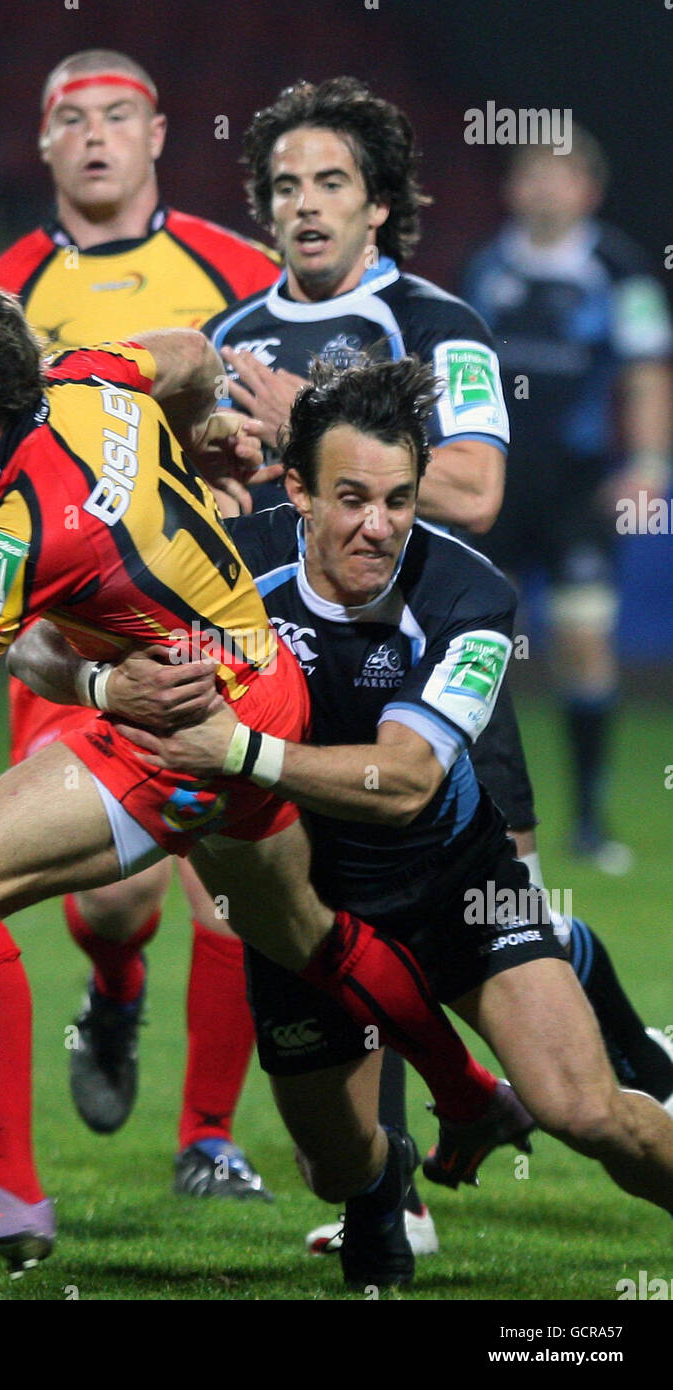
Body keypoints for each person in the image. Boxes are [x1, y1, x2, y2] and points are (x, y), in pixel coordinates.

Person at [0, 276, 515, 1278]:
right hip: (255, 678)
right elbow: (187, 350)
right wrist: (203, 429)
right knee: (303, 934)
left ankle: (2, 1180)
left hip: (187, 725)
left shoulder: (22, 531)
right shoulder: (87, 381)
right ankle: (470, 1089)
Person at [91, 354, 673, 1288]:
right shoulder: (225, 564)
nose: (379, 526)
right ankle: (381, 1185)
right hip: (302, 914)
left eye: (400, 499)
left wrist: (235, 754)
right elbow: (44, 637)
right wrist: (104, 680)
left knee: (588, 1111)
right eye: (352, 498)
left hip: (457, 891)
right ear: (297, 492)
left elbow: (403, 782)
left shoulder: (468, 596)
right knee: (334, 1166)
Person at [0, 48, 282, 1198]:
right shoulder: (0, 293)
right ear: (46, 145)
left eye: (120, 116)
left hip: (217, 620)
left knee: (240, 881)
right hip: (77, 632)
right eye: (74, 119)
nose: (97, 135)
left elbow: (292, 416)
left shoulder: (238, 269)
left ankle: (208, 1138)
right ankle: (114, 992)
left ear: (158, 135)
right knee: (113, 894)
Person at [462, 126, 672, 873]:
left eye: (562, 176)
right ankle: (480, 809)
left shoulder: (619, 269)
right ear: (514, 187)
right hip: (496, 480)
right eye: (533, 174)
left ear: (589, 189)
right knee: (482, 642)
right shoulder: (484, 268)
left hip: (579, 484)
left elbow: (646, 369)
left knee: (584, 638)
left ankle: (588, 818)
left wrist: (648, 459)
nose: (545, 189)